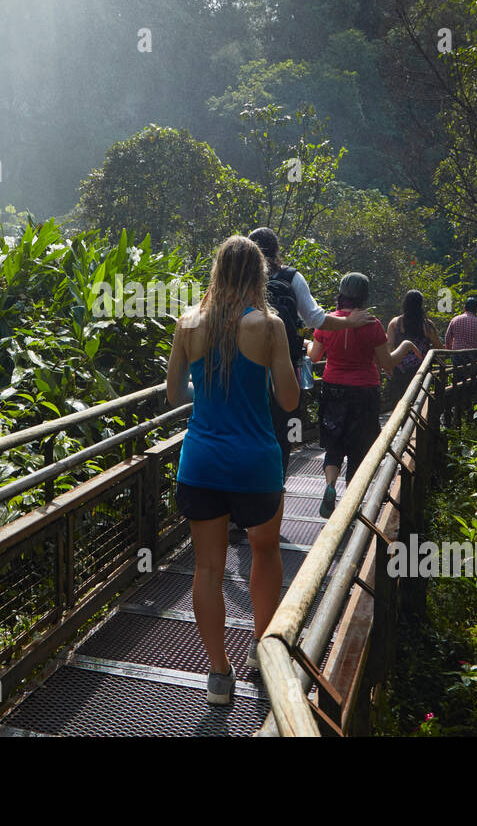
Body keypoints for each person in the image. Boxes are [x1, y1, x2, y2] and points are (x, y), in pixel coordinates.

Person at [167, 235, 298, 706]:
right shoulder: (270, 326)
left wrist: (210, 397)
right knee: (264, 553)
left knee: (207, 567)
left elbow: (174, 395)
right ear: (258, 275)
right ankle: (263, 653)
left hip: (200, 462)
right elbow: (289, 399)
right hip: (255, 464)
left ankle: (219, 675)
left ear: (217, 271)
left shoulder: (188, 323)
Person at [247, 227, 373, 478]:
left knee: (247, 423)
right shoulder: (292, 277)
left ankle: (242, 490)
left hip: (245, 364)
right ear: (277, 250)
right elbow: (316, 319)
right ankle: (275, 484)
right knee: (282, 425)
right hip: (283, 365)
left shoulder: (241, 277)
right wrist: (349, 322)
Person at [309, 273, 424, 518]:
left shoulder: (327, 322)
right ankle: (352, 505)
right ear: (364, 296)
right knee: (359, 450)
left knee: (334, 445)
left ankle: (330, 486)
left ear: (341, 293)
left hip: (332, 390)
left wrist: (306, 344)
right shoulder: (372, 325)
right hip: (364, 393)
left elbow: (314, 357)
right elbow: (387, 364)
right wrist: (404, 347)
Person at [385, 290, 444, 406]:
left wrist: (388, 367)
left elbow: (389, 346)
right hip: (420, 370)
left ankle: (401, 423)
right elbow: (439, 347)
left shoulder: (395, 323)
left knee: (400, 402)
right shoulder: (427, 325)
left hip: (399, 368)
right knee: (418, 402)